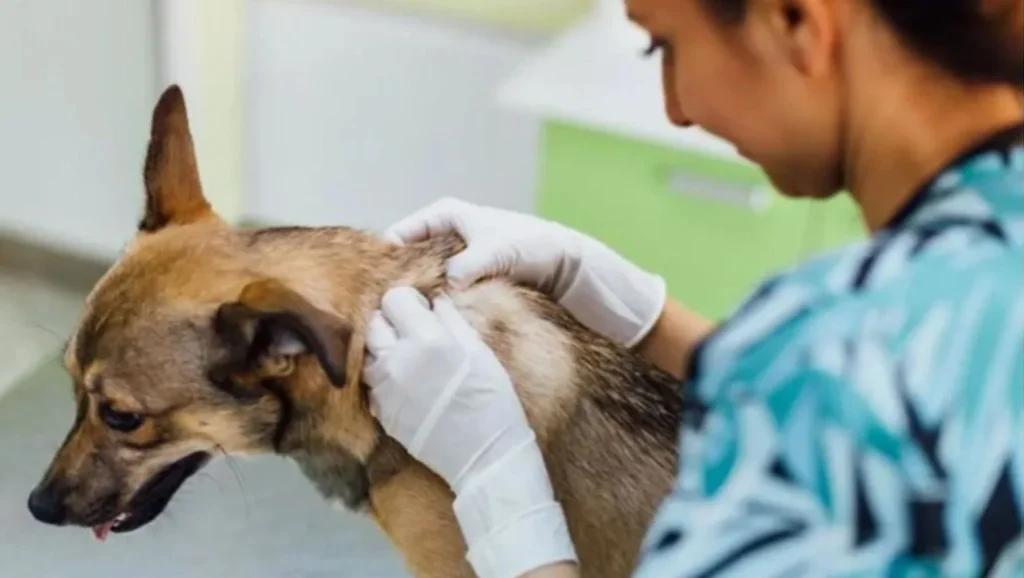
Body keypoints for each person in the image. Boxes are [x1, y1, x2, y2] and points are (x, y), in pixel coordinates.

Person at [361, 0, 1024, 576]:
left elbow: (840, 385)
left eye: (665, 45)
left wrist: (500, 492)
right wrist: (646, 318)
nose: (676, 110)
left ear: (795, 20)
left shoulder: (831, 356)